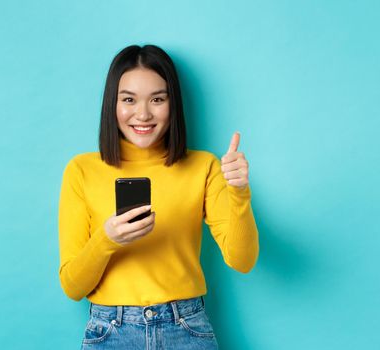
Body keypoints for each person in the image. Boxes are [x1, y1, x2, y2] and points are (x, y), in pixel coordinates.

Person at [58, 44, 259, 349]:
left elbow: (242, 260)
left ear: (172, 103)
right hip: (110, 331)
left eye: (157, 99)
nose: (143, 114)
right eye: (128, 99)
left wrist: (240, 193)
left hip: (185, 327)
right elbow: (72, 287)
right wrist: (107, 238)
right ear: (112, 104)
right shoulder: (81, 170)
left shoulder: (202, 166)